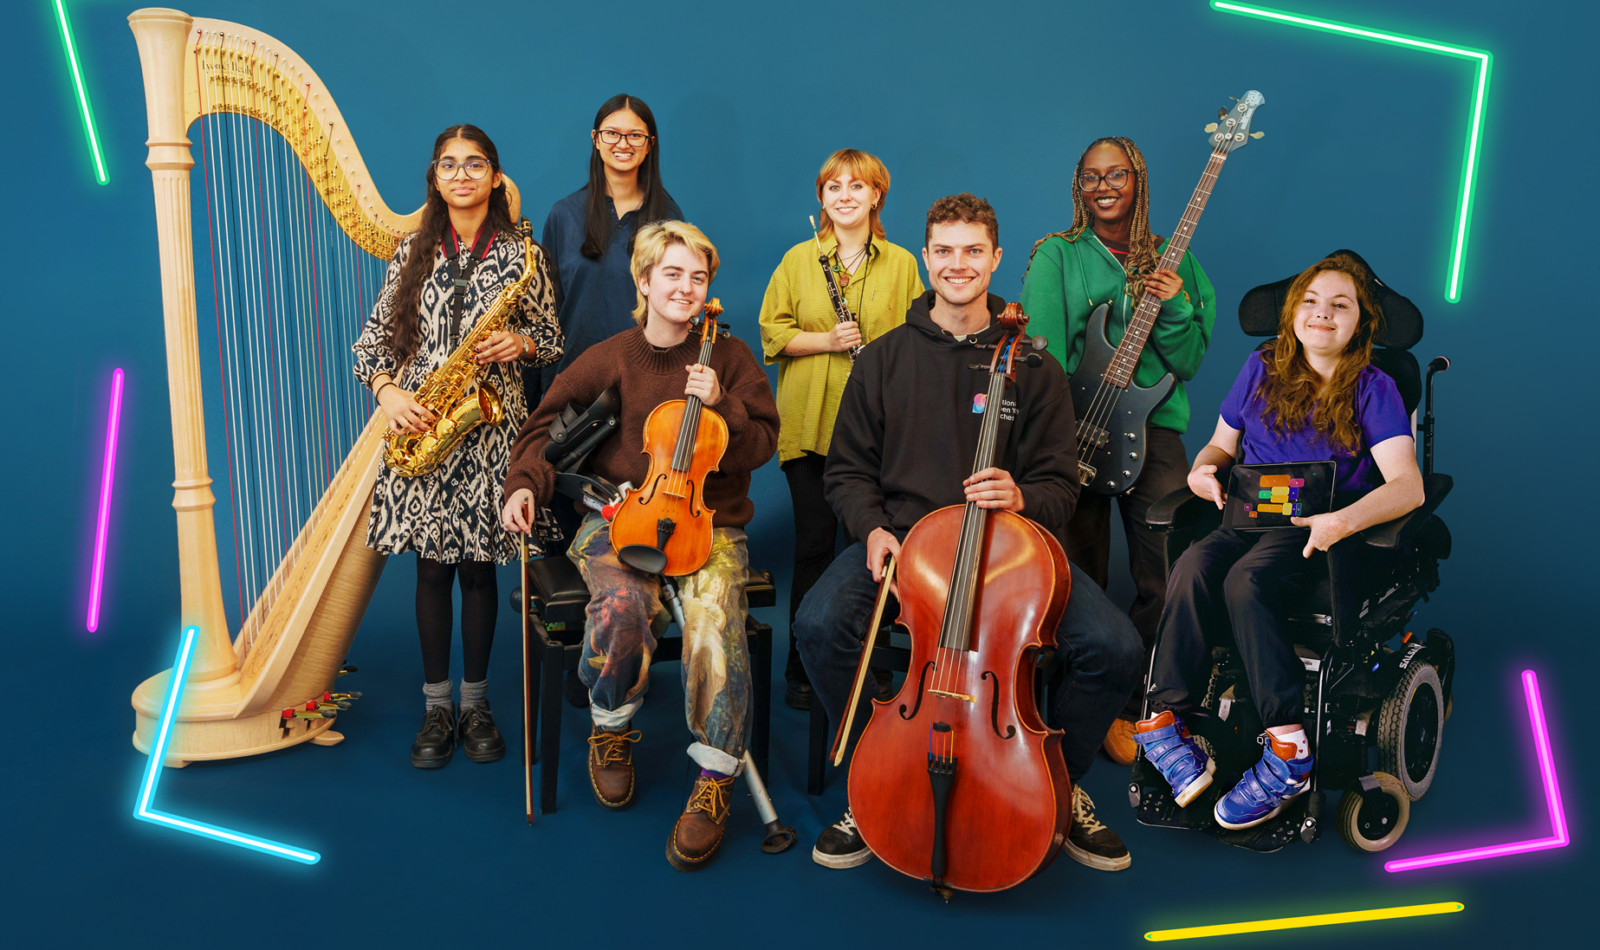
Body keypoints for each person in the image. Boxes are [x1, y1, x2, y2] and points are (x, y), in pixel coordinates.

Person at [793, 194, 1143, 873]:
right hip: (905, 550)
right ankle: (881, 776)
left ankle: (1057, 787)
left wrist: (1021, 495)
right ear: (926, 258)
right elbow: (847, 472)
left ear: (996, 258)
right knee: (819, 622)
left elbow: (1060, 486)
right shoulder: (884, 359)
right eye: (945, 251)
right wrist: (869, 530)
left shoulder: (1034, 365)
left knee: (1114, 647)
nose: (959, 265)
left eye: (973, 251)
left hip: (1007, 559)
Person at [501, 221, 779, 871]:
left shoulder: (729, 360)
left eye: (698, 277)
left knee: (715, 617)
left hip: (709, 522)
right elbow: (544, 428)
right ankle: (612, 724)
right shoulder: (613, 355)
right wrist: (523, 483)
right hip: (620, 517)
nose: (686, 288)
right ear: (646, 282)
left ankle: (714, 780)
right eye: (673, 275)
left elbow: (764, 441)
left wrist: (728, 410)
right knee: (622, 607)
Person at [1133, 252, 1424, 830]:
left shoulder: (1375, 386)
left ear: (1360, 321)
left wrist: (1341, 521)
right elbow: (1220, 445)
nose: (1322, 314)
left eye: (1340, 306)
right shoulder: (1261, 365)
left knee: (1247, 582)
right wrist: (1202, 470)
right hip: (1244, 513)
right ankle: (1167, 721)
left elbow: (1408, 487)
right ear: (1292, 314)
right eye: (1311, 303)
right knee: (1191, 566)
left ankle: (1289, 749)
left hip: (1317, 525)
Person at [353, 125, 562, 770]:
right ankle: (435, 705)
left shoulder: (524, 254)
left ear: (496, 176)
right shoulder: (411, 251)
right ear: (435, 177)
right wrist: (389, 395)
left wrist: (521, 345)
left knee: (477, 571)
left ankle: (476, 703)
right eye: (450, 165)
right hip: (423, 423)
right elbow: (370, 347)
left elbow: (552, 338)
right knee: (430, 571)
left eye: (476, 165)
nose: (463, 175)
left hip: (492, 428)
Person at [1019, 136, 1217, 765]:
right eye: (1091, 176)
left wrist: (1175, 302)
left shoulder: (1177, 260)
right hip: (1074, 425)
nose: (1104, 186)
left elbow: (1186, 362)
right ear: (1078, 186)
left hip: (1155, 427)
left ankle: (1136, 707)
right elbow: (1043, 352)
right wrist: (1063, 428)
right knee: (1075, 574)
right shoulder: (1058, 255)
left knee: (1168, 570)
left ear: (1140, 181)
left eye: (1118, 175)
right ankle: (1072, 704)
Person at [757, 149, 924, 711]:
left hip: (878, 431)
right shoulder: (799, 260)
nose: (845, 195)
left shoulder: (902, 264)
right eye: (834, 186)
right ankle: (802, 669)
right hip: (808, 425)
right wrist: (829, 341)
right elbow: (772, 335)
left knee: (868, 550)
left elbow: (916, 337)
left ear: (877, 195)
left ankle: (867, 669)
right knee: (812, 546)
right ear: (821, 197)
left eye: (859, 186)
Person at [538, 94, 683, 707]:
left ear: (650, 145)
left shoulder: (667, 215)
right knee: (575, 522)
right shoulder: (565, 216)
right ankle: (585, 660)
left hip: (642, 393)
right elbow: (543, 314)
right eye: (612, 133)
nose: (623, 144)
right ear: (596, 141)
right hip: (574, 391)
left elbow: (677, 301)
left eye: (636, 135)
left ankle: (617, 663)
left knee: (626, 522)